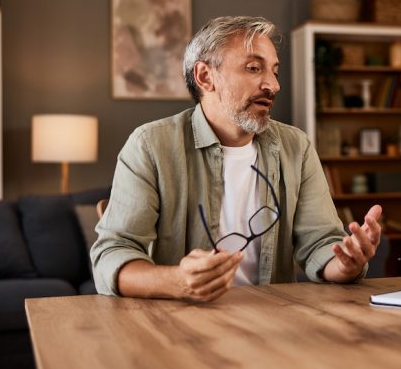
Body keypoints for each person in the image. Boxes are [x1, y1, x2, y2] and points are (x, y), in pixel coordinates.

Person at [91, 16, 382, 301]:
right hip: (178, 325)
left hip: (275, 321)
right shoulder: (151, 145)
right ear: (205, 76)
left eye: (274, 71)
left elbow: (321, 245)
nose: (273, 85)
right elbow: (111, 256)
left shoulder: (297, 147)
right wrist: (177, 281)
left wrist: (345, 263)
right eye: (254, 68)